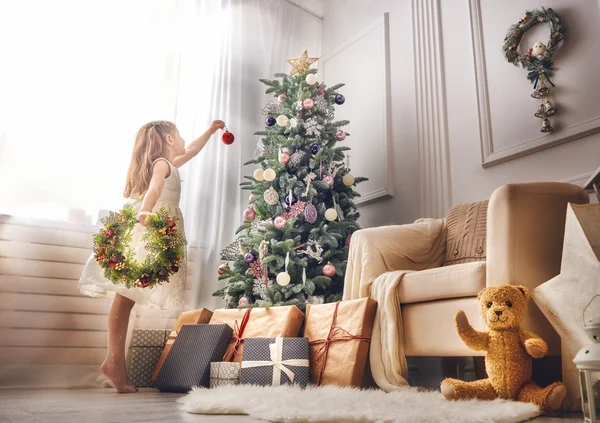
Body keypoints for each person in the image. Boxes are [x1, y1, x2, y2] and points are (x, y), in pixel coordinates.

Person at [78, 119, 225, 393]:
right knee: (125, 297)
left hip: (156, 228)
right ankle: (114, 363)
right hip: (148, 229)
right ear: (169, 139)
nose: (183, 139)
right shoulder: (161, 164)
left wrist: (210, 130)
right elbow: (155, 189)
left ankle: (114, 363)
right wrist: (145, 212)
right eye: (179, 135)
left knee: (127, 299)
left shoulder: (171, 163)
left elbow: (192, 149)